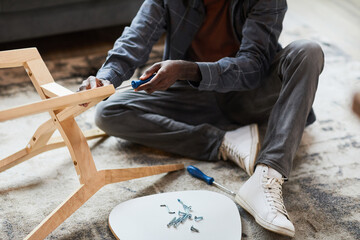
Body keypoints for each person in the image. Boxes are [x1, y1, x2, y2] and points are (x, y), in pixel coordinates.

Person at [79, 0, 324, 237]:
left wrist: (188, 69)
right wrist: (105, 78)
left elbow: (253, 67)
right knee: (108, 113)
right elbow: (137, 36)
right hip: (192, 93)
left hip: (248, 95)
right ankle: (224, 141)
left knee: (308, 52)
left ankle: (266, 176)